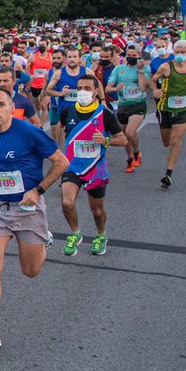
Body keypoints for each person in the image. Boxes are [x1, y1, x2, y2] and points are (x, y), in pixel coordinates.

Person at [0, 88, 69, 351]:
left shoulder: (29, 133)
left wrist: (38, 191)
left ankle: (43, 239)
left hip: (28, 209)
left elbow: (61, 162)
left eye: (0, 105)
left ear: (10, 107)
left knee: (31, 271)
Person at [52, 73, 126, 257]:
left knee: (97, 210)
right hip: (72, 165)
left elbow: (123, 139)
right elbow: (60, 128)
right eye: (80, 88)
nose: (83, 92)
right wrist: (59, 149)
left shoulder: (105, 114)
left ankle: (101, 235)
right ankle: (75, 233)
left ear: (95, 92)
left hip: (96, 168)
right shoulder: (67, 111)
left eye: (87, 89)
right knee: (67, 202)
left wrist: (106, 139)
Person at [151, 39, 186, 189]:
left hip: (184, 107)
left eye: (182, 52)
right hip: (165, 107)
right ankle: (173, 143)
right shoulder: (166, 67)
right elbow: (153, 80)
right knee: (166, 142)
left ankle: (168, 174)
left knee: (175, 140)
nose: (179, 55)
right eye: (177, 52)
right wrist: (155, 89)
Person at [106, 49, 149, 172]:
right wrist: (115, 89)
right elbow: (108, 88)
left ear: (139, 56)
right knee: (124, 136)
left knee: (130, 132)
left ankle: (136, 152)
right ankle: (130, 159)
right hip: (123, 105)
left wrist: (140, 71)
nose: (131, 57)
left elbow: (143, 87)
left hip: (138, 104)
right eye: (128, 55)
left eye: (134, 55)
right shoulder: (119, 69)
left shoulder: (145, 69)